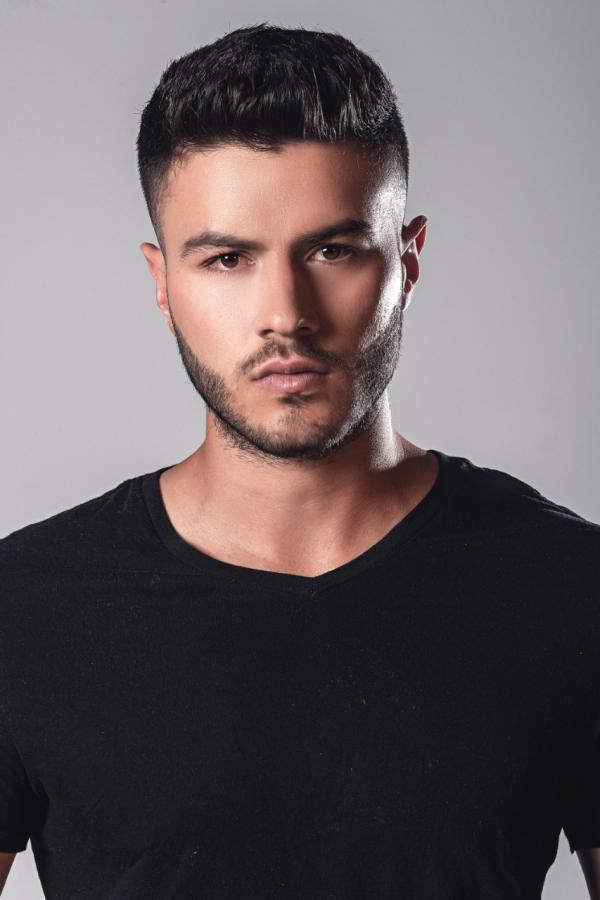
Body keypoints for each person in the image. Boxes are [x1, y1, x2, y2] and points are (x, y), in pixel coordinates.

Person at [1, 22, 599, 900]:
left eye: (332, 250)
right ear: (162, 282)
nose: (285, 312)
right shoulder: (22, 609)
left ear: (409, 261)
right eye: (227, 258)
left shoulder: (572, 590)